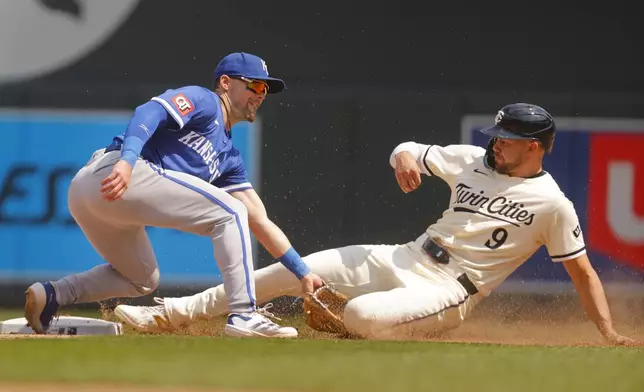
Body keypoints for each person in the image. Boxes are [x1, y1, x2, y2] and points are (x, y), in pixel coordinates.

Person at [113, 103, 633, 345]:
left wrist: (608, 333)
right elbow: (406, 148)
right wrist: (401, 157)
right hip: (403, 255)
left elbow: (583, 273)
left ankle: (345, 318)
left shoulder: (552, 204)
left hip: (451, 290)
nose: (496, 142)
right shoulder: (472, 159)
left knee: (360, 316)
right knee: (300, 269)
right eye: (497, 135)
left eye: (508, 139)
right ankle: (171, 313)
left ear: (535, 147)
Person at [24, 52, 323, 338]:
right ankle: (243, 313)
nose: (261, 93)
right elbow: (148, 111)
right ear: (226, 83)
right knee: (230, 212)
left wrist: (302, 272)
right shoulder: (206, 102)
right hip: (116, 171)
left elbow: (258, 220)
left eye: (266, 89)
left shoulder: (229, 158)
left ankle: (52, 294)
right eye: (255, 84)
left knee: (142, 278)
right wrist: (128, 160)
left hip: (92, 196)